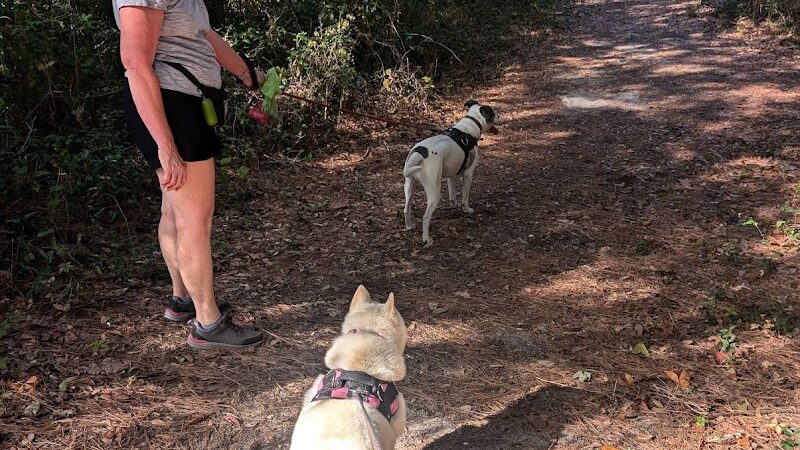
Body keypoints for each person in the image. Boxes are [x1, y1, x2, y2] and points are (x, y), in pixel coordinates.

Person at [113, 0, 264, 349]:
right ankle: (208, 322)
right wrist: (166, 146)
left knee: (175, 211)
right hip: (172, 107)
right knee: (196, 220)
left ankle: (183, 299)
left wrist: (247, 74)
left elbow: (203, 34)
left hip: (184, 103)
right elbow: (135, 63)